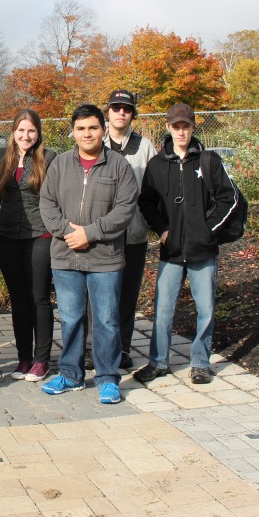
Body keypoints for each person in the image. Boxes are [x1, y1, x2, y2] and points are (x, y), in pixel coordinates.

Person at [38, 104, 137, 405]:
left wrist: (90, 233)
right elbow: (47, 204)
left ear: (103, 129)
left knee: (106, 320)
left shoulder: (119, 166)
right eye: (80, 129)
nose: (87, 134)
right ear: (73, 132)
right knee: (70, 318)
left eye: (93, 127)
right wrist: (71, 233)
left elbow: (124, 210)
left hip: (105, 258)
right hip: (66, 256)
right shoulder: (59, 165)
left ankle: (107, 378)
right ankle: (70, 374)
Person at [135, 103, 239, 386]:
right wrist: (162, 228)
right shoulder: (157, 165)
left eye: (186, 126)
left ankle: (200, 363)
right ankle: (158, 362)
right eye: (176, 126)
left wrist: (208, 230)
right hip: (171, 252)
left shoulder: (209, 161)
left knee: (205, 309)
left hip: (202, 251)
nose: (181, 131)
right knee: (162, 310)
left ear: (193, 127)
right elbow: (146, 202)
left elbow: (228, 198)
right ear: (168, 127)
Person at [0, 109, 56, 383]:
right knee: (18, 300)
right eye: (21, 130)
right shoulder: (1, 156)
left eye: (32, 131)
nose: (26, 136)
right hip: (7, 238)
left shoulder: (48, 159)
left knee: (38, 298)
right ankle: (24, 358)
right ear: (13, 131)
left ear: (38, 134)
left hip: (40, 236)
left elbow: (54, 200)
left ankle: (41, 360)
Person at [103, 90, 156, 369]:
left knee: (127, 295)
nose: (121, 113)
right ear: (108, 112)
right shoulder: (95, 141)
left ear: (133, 114)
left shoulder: (144, 147)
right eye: (116, 108)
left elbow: (154, 190)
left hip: (133, 234)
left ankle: (122, 348)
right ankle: (97, 348)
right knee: (100, 295)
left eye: (127, 109)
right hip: (101, 236)